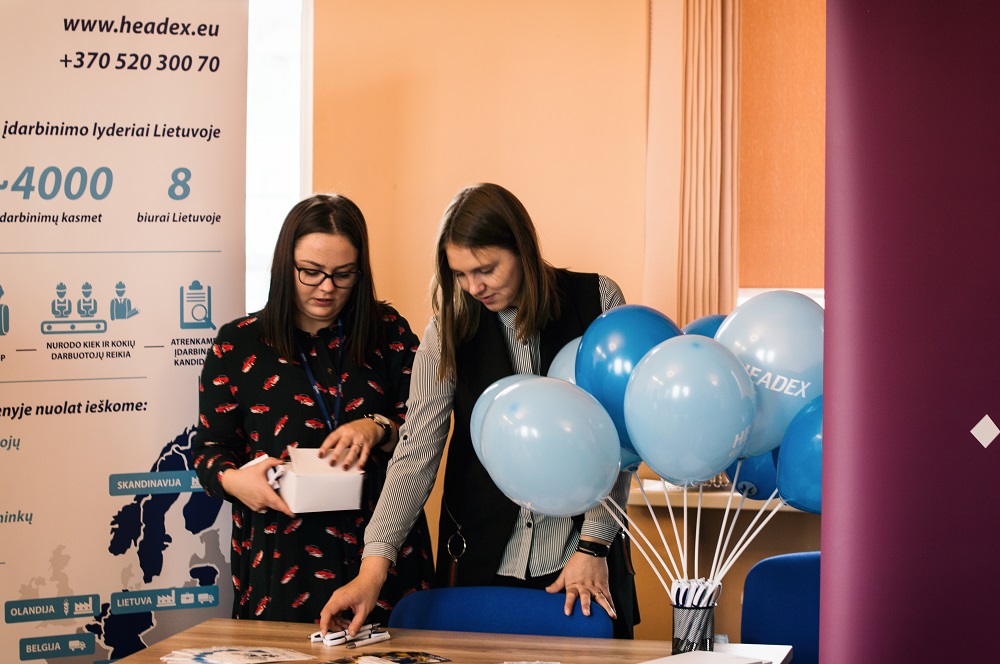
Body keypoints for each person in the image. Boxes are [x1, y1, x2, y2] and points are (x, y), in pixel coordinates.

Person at [320, 183, 639, 638]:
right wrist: (373, 568)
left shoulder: (598, 299)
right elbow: (415, 454)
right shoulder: (446, 329)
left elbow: (618, 436)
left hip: (581, 560)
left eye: (486, 269)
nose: (474, 287)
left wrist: (594, 545)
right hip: (481, 561)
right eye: (460, 274)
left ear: (522, 248)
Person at [193, 194, 434, 624]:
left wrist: (377, 426)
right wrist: (234, 481)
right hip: (282, 557)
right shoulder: (238, 343)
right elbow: (210, 450)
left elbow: (423, 429)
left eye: (343, 275)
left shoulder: (389, 333)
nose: (327, 288)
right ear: (285, 266)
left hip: (381, 553)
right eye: (311, 272)